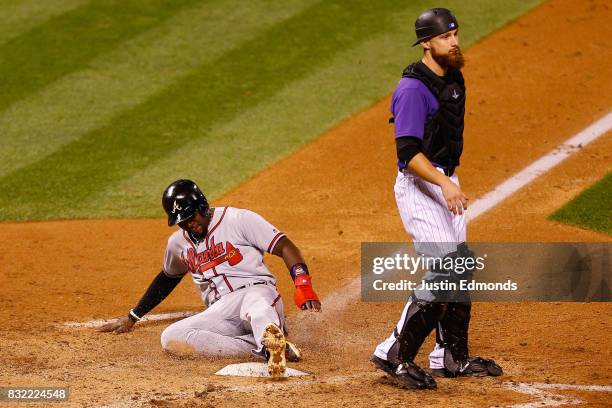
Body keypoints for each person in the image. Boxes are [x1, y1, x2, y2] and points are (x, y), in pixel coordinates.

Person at [371, 8, 502, 389]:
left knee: (461, 266)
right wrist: (444, 185)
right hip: (420, 185)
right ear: (426, 43)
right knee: (447, 269)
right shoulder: (412, 89)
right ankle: (394, 351)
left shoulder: (452, 78)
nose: (454, 41)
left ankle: (451, 356)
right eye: (445, 37)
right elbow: (408, 154)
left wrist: (450, 181)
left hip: (445, 180)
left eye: (456, 33)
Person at [98, 179, 322, 378]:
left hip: (256, 292)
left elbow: (285, 246)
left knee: (259, 310)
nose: (188, 224)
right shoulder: (178, 244)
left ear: (202, 206)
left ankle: (268, 336)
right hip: (222, 310)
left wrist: (303, 283)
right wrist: (133, 316)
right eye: (182, 221)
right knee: (172, 338)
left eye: (191, 217)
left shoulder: (238, 219)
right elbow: (167, 278)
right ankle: (266, 347)